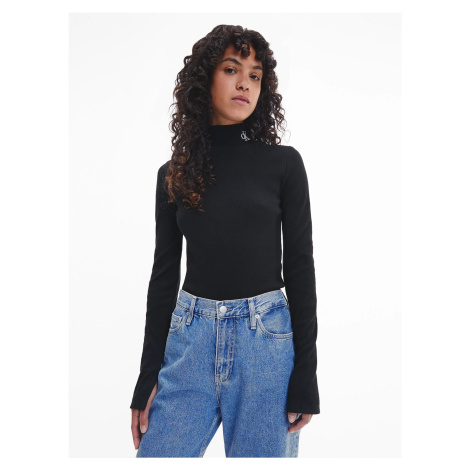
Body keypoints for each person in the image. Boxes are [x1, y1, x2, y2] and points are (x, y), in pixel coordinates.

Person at [130, 24, 320, 458]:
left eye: (255, 75)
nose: (244, 84)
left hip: (266, 346)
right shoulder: (173, 174)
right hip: (189, 342)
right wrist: (147, 375)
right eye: (232, 69)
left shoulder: (283, 165)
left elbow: (300, 268)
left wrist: (306, 374)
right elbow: (163, 276)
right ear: (205, 80)